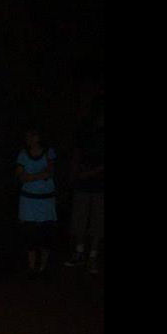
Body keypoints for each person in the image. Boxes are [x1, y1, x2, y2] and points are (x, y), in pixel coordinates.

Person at [64, 95, 104, 274]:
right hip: (83, 182)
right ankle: (79, 252)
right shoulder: (85, 128)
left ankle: (93, 256)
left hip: (100, 184)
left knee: (98, 222)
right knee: (79, 220)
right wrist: (74, 175)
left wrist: (91, 172)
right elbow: (76, 152)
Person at [15, 127, 58, 278]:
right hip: (28, 201)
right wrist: (40, 175)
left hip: (46, 201)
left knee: (45, 234)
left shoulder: (48, 152)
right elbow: (21, 177)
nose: (28, 139)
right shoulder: (23, 154)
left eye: (31, 136)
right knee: (30, 234)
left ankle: (43, 267)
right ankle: (31, 266)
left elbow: (50, 172)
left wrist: (31, 176)